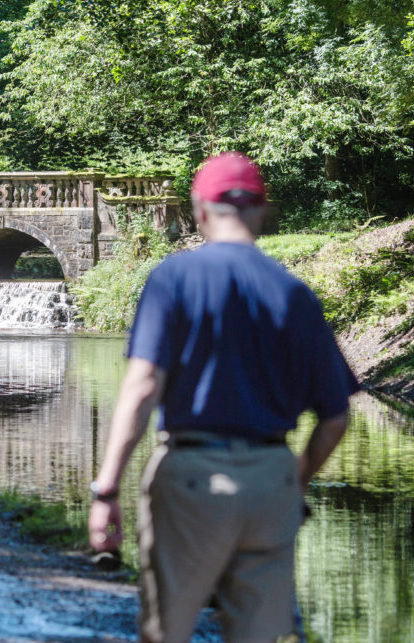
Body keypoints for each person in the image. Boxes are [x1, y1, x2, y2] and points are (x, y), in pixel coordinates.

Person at [87, 152, 359, 643]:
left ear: (200, 210)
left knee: (166, 631)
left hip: (192, 477)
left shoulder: (173, 279)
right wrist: (294, 481)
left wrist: (106, 490)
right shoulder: (296, 295)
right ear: (260, 210)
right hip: (271, 480)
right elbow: (335, 418)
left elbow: (144, 386)